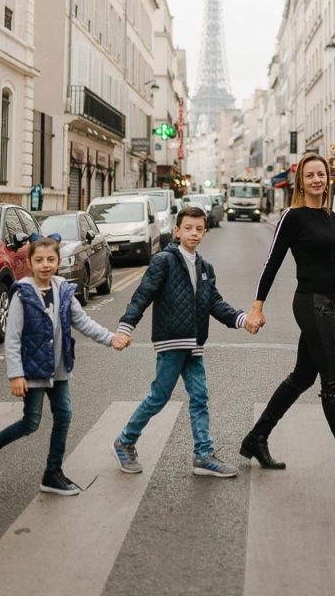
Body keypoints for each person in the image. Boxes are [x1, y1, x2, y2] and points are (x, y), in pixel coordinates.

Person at [243, 152, 335, 486]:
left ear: (328, 179)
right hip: (311, 304)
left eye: (321, 175)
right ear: (301, 181)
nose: (317, 180)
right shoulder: (292, 217)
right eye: (310, 175)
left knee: (302, 377)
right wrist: (257, 306)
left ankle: (256, 438)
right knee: (333, 381)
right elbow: (271, 263)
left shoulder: (331, 217)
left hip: (329, 303)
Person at [112, 205, 255, 479]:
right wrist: (126, 327)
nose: (194, 233)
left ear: (205, 231)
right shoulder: (163, 261)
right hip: (172, 342)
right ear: (177, 230)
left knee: (200, 397)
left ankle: (203, 455)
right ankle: (125, 441)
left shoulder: (204, 267)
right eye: (188, 228)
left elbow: (214, 302)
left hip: (194, 343)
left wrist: (241, 319)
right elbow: (142, 295)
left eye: (199, 229)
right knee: (159, 397)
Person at [0, 236, 127, 495]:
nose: (45, 265)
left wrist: (110, 338)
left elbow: (83, 322)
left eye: (50, 259)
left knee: (64, 416)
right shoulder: (22, 294)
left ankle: (52, 472)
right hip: (32, 370)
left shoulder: (63, 290)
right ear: (29, 263)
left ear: (58, 262)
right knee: (30, 423)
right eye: (39, 260)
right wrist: (15, 375)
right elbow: (12, 338)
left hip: (58, 368)